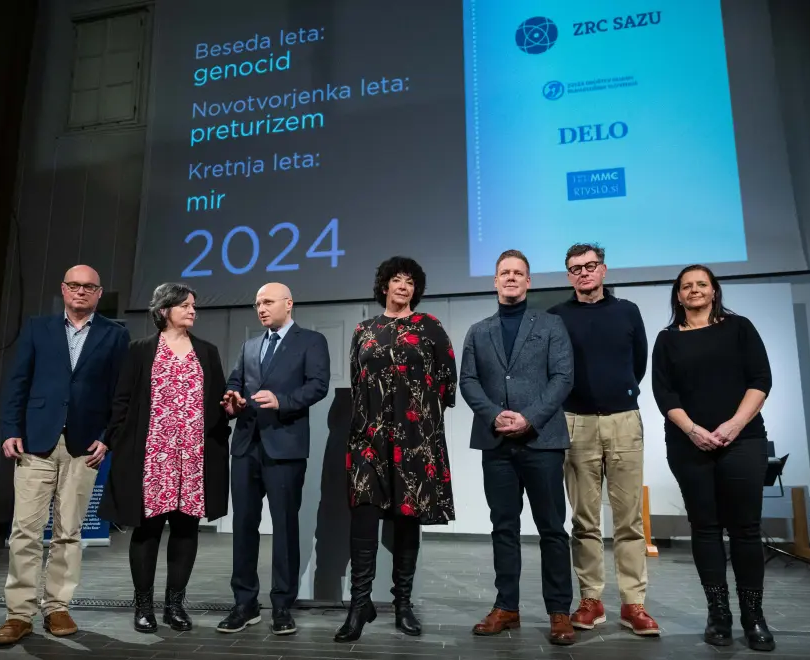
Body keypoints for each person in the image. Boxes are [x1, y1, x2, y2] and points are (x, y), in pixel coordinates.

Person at [0, 265, 130, 647]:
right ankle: (19, 614)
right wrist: (10, 429)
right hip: (36, 440)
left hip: (84, 447)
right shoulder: (39, 328)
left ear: (99, 293)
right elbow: (18, 381)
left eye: (88, 287)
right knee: (25, 530)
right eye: (74, 285)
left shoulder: (115, 335)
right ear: (63, 289)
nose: (80, 292)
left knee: (69, 532)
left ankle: (57, 607)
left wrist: (107, 438)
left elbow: (121, 394)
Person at [651, 265, 775, 652]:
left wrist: (734, 426)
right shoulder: (667, 339)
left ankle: (754, 617)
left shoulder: (740, 328)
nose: (694, 290)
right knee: (705, 528)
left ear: (714, 290)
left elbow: (761, 380)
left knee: (745, 529)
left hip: (743, 441)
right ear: (678, 296)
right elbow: (663, 393)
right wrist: (692, 430)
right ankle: (718, 615)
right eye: (686, 286)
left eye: (701, 284)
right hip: (689, 444)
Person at [337, 256, 458, 643]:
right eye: (396, 280)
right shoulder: (364, 330)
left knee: (407, 520)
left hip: (414, 440)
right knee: (363, 518)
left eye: (410, 282)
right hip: (367, 439)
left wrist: (418, 419)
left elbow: (446, 380)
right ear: (384, 286)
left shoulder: (430, 328)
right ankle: (359, 604)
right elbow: (357, 383)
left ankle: (402, 605)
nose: (403, 286)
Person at [99, 283, 231, 633]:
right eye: (185, 305)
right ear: (163, 311)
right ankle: (143, 606)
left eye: (193, 306)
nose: (192, 311)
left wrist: (229, 411)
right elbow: (122, 401)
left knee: (186, 528)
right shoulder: (141, 350)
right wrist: (115, 440)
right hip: (152, 456)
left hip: (193, 455)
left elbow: (218, 404)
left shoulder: (207, 351)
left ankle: (175, 605)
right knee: (147, 530)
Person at [459, 249, 576, 646]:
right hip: (496, 443)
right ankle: (507, 606)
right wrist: (495, 416)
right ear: (495, 281)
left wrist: (529, 418)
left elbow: (563, 377)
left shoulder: (551, 325)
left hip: (542, 441)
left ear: (529, 282)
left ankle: (559, 611)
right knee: (503, 527)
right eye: (504, 272)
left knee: (552, 530)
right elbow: (469, 381)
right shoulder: (478, 330)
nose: (511, 278)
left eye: (518, 273)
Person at [547, 244, 660, 636]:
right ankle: (591, 599)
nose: (583, 273)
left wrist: (618, 395)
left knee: (630, 519)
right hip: (575, 423)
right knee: (584, 520)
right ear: (568, 276)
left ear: (604, 270)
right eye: (575, 268)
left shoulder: (627, 311)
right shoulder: (556, 317)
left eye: (590, 266)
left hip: (624, 420)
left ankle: (633, 603)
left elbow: (639, 363)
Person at [217, 282, 330, 636]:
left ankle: (282, 605)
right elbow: (235, 383)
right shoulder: (250, 346)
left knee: (283, 528)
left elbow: (318, 385)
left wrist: (283, 401)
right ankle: (244, 603)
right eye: (257, 304)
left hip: (285, 446)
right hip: (246, 447)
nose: (261, 308)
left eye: (267, 302)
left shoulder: (311, 341)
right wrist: (232, 402)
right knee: (244, 528)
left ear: (288, 304)